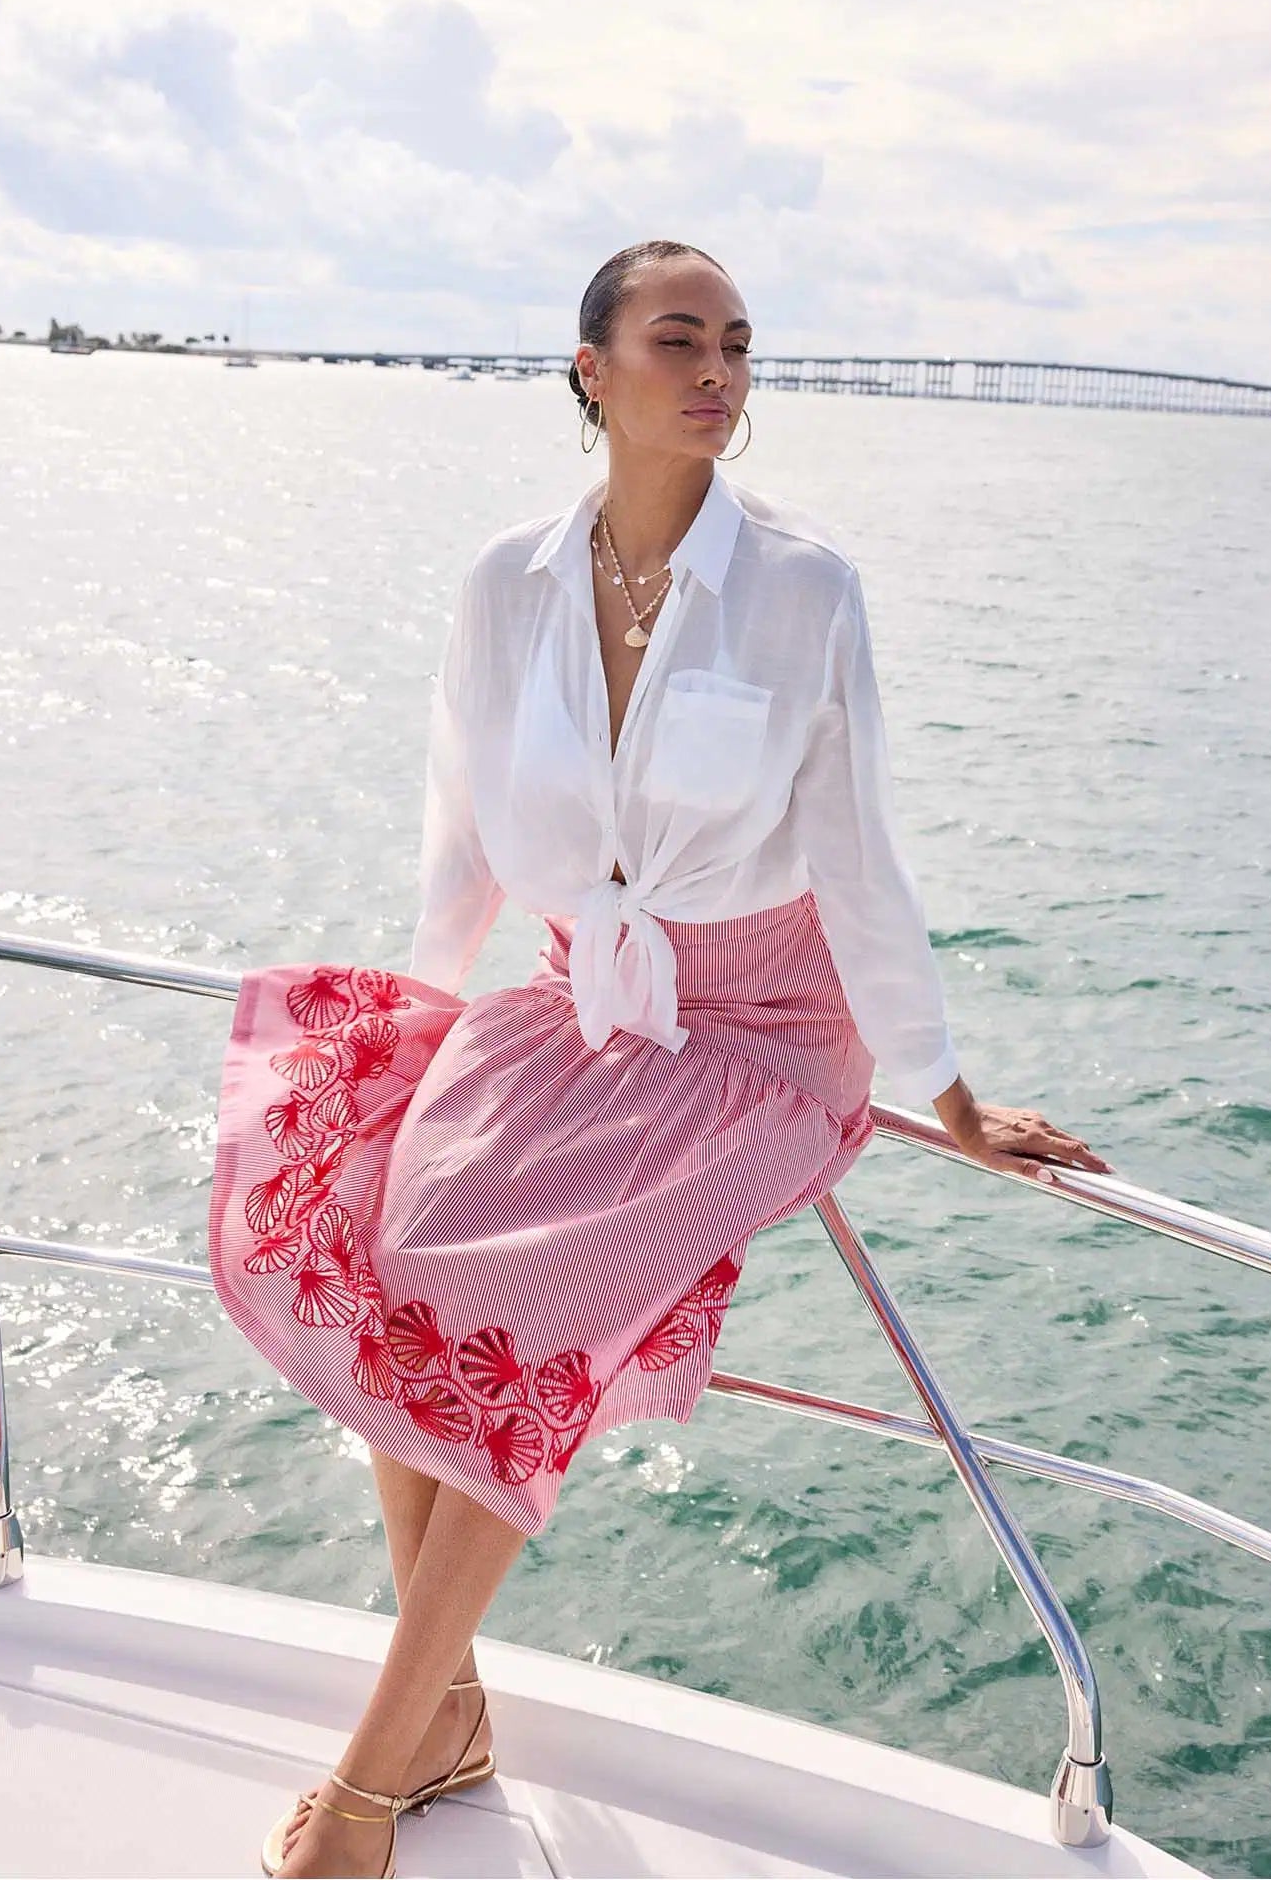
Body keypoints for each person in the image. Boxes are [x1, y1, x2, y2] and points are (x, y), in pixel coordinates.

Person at [207, 239, 1112, 1878]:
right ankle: (451, 1709)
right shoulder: (507, 583)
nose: (717, 374)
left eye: (739, 347)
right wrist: (424, 1009)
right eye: (678, 340)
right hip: (579, 1004)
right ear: (588, 370)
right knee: (382, 1243)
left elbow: (857, 853)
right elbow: (463, 815)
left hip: (762, 1037)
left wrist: (944, 1085)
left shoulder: (803, 588)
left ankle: (364, 1787)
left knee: (521, 1326)